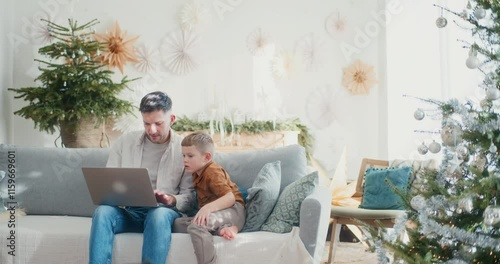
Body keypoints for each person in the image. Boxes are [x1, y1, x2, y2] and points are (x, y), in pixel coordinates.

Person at [88, 91, 194, 264]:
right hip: (130, 211)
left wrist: (171, 199)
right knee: (102, 212)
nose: (152, 130)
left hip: (163, 213)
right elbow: (109, 182)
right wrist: (113, 194)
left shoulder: (185, 150)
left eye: (158, 124)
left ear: (172, 119)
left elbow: (190, 199)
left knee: (158, 215)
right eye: (146, 123)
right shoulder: (125, 142)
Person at [177, 131, 245, 264]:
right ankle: (225, 228)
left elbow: (230, 198)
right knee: (176, 224)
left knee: (196, 226)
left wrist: (207, 208)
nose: (185, 159)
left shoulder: (212, 172)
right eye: (183, 155)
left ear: (206, 157)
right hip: (221, 214)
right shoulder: (196, 172)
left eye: (190, 156)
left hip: (234, 210)